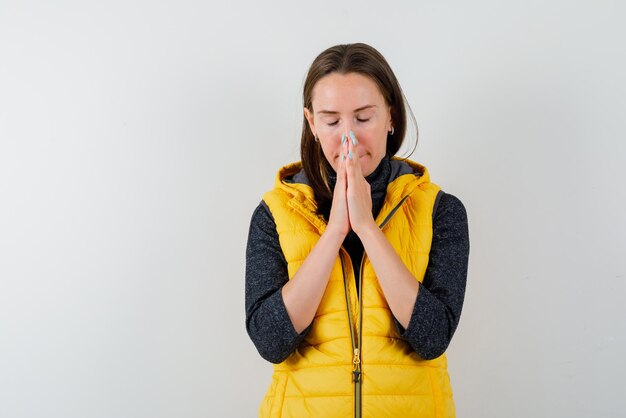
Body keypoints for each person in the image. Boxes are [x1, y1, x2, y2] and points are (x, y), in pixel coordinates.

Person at [245, 43, 469, 418]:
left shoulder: (441, 210)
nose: (348, 138)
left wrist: (366, 227)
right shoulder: (275, 213)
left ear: (391, 116)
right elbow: (271, 341)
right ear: (311, 123)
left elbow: (432, 338)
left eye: (363, 118)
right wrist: (334, 232)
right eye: (331, 121)